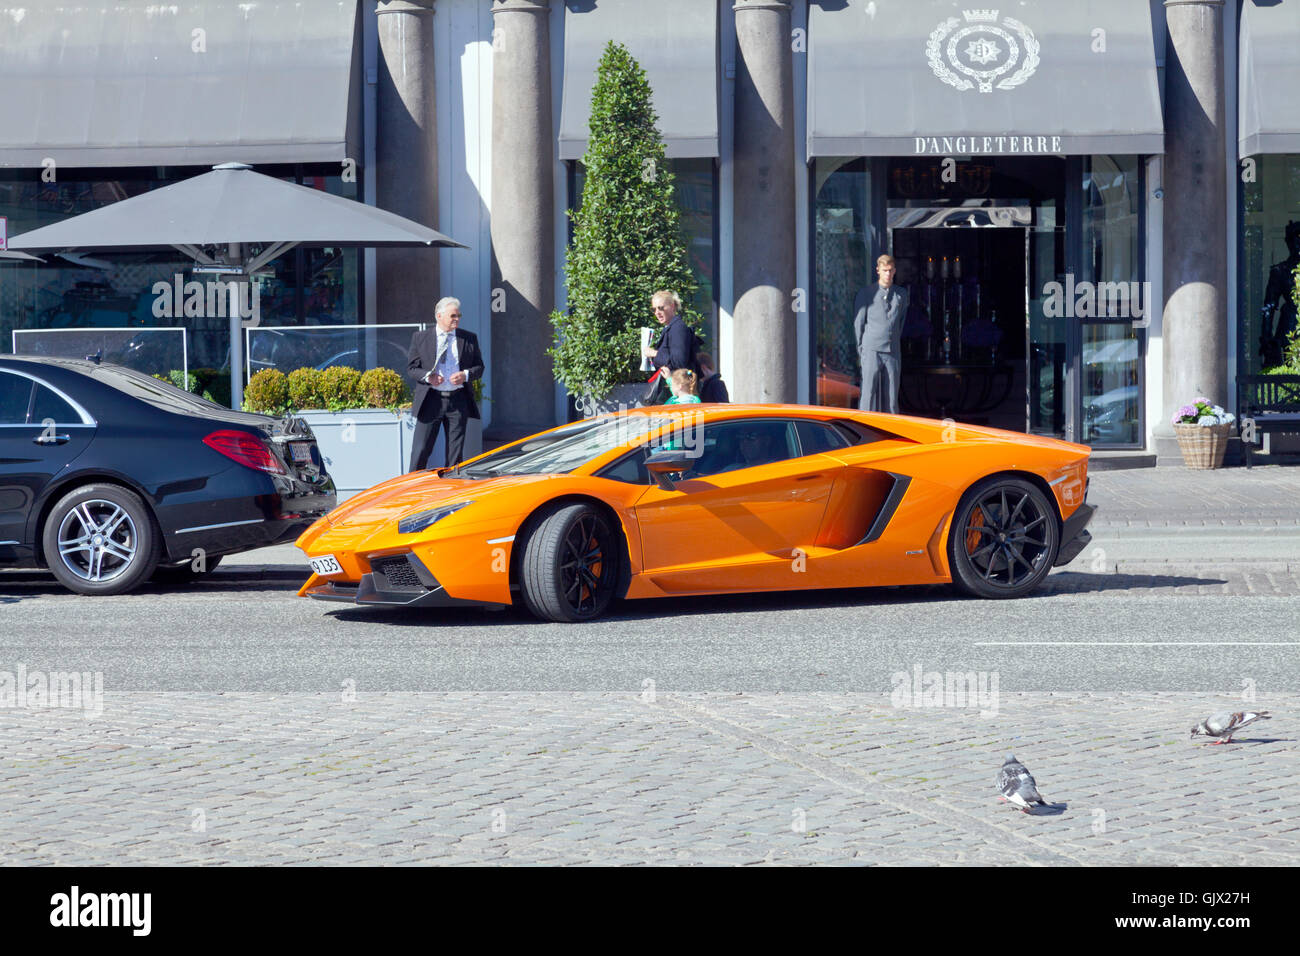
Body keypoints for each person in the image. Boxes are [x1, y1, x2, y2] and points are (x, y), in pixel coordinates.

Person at [406, 296, 484, 471]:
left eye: (458, 316)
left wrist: (465, 375)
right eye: (453, 316)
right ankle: (412, 488)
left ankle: (452, 490)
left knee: (455, 455)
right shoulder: (421, 338)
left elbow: (479, 368)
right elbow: (412, 368)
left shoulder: (469, 338)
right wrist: (428, 376)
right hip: (431, 400)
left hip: (458, 401)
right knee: (421, 450)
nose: (457, 319)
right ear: (439, 316)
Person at [853, 254, 909, 414]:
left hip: (892, 350)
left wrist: (895, 340)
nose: (888, 274)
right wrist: (861, 350)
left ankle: (891, 430)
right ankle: (863, 427)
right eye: (885, 270)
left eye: (890, 271)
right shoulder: (866, 294)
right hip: (871, 349)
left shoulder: (901, 294)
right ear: (878, 270)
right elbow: (859, 323)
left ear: (895, 271)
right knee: (868, 394)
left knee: (892, 397)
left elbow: (901, 321)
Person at [640, 290, 701, 399]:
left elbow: (679, 362)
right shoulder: (670, 327)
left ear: (672, 306)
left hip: (680, 392)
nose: (657, 312)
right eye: (654, 309)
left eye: (661, 308)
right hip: (675, 390)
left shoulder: (678, 328)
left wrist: (654, 353)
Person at [1259, 221, 1300, 367]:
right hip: (1289, 327)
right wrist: (1266, 337)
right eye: (1296, 237)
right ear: (1288, 242)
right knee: (1290, 371)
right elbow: (1269, 305)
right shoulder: (1280, 271)